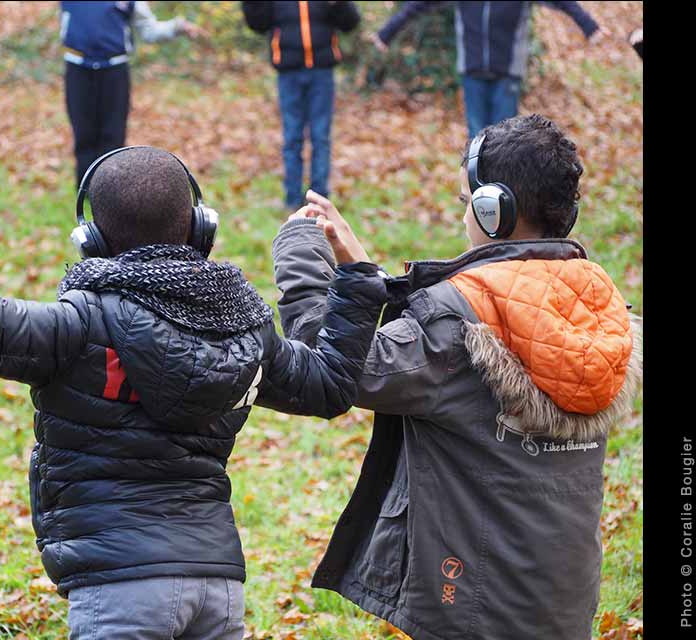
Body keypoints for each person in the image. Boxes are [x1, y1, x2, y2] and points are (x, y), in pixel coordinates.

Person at [0, 132, 389, 638]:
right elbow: (330, 384)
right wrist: (356, 277)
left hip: (118, 590)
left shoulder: (79, 323)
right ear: (200, 229)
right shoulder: (246, 326)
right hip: (217, 585)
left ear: (92, 240)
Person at [271, 114, 641, 640]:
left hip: (473, 608)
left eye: (468, 200)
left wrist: (301, 252)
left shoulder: (454, 326)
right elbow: (453, 334)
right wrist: (365, 273)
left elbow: (335, 367)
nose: (464, 211)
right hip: (564, 603)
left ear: (494, 212)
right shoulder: (595, 307)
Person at [373, 2, 605, 137]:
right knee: (477, 138)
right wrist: (387, 33)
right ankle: (479, 199)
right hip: (472, 71)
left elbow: (563, 2)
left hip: (507, 73)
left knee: (506, 138)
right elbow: (419, 4)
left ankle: (505, 198)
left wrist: (590, 27)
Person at [59, 1, 205, 186]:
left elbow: (149, 30)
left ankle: (110, 190)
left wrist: (178, 26)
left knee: (113, 135)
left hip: (114, 70)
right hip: (78, 69)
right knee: (83, 133)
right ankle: (84, 190)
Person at [242, 1, 361, 210]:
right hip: (288, 73)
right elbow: (258, 24)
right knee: (292, 138)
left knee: (320, 137)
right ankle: (292, 199)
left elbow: (350, 23)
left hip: (322, 72)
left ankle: (320, 199)